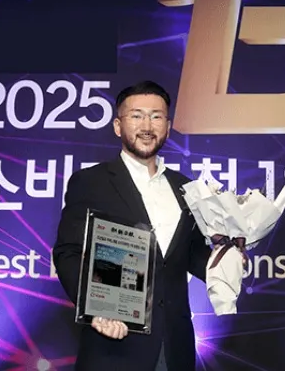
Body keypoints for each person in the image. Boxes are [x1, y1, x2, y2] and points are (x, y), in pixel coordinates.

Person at [53, 80, 212, 370]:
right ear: (118, 126)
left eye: (156, 116)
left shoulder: (186, 188)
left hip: (173, 347)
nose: (147, 126)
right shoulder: (91, 182)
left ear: (168, 126)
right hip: (113, 343)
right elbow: (68, 252)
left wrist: (230, 254)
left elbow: (192, 256)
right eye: (137, 116)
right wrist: (95, 308)